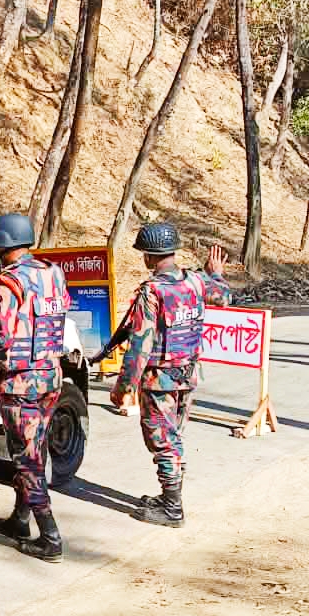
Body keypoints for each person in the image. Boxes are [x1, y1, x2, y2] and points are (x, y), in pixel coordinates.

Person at [0, 214, 71, 563]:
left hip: (21, 384)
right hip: (51, 376)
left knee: (26, 460)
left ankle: (50, 537)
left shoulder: (7, 283)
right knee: (33, 451)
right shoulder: (52, 273)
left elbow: (0, 338)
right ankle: (19, 521)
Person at [110, 223, 231, 528]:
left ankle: (173, 508)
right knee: (173, 437)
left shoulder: (152, 292)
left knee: (163, 442)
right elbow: (224, 296)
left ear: (149, 258)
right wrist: (214, 274)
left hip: (160, 380)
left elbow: (139, 345)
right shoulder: (195, 281)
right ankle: (168, 498)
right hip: (187, 376)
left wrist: (124, 386)